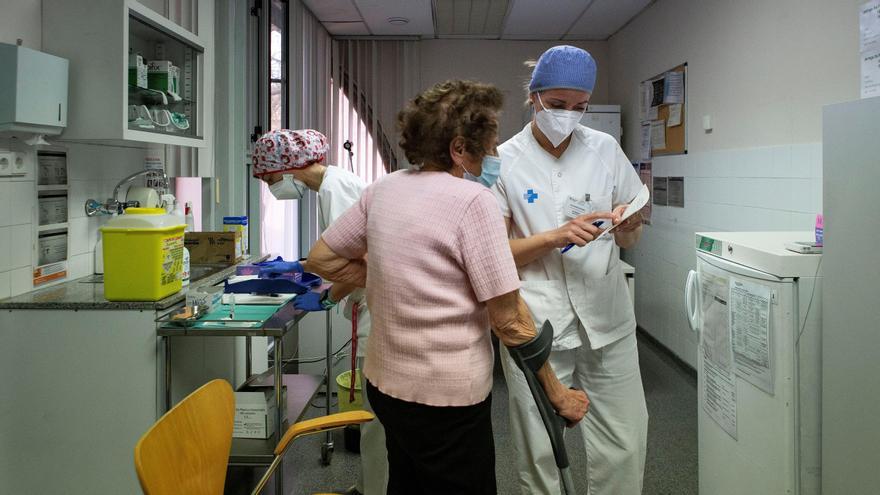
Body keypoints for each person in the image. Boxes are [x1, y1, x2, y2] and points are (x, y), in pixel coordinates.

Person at [302, 80, 589, 495]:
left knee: (407, 482)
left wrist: (384, 272)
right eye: (489, 147)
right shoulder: (474, 203)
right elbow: (509, 320)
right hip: (447, 401)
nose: (494, 157)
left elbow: (320, 260)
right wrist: (559, 393)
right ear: (459, 149)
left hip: (385, 387)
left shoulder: (383, 189)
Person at [492, 46, 649, 495]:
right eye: (557, 105)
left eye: (579, 107)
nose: (567, 116)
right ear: (534, 97)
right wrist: (554, 236)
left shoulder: (605, 149)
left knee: (625, 439)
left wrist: (630, 224)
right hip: (537, 320)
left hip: (607, 315)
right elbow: (494, 255)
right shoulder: (501, 162)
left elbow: (629, 237)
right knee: (541, 450)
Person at [252, 128, 387, 495]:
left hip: (379, 310)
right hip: (372, 303)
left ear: (286, 168)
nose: (270, 186)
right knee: (375, 415)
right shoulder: (333, 185)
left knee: (376, 417)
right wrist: (303, 268)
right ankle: (368, 486)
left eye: (268, 179)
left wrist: (327, 296)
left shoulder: (335, 189)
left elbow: (361, 260)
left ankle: (374, 490)